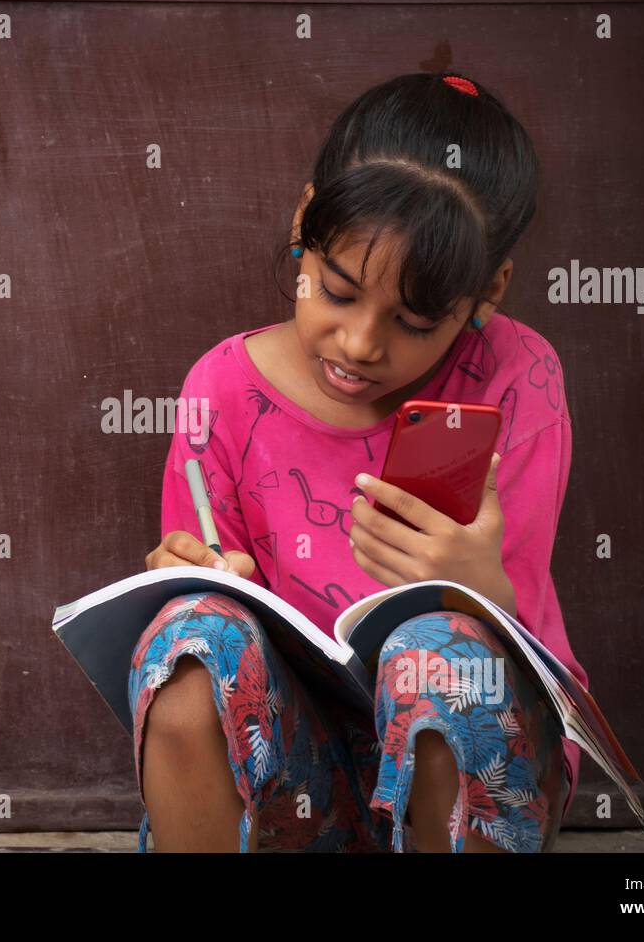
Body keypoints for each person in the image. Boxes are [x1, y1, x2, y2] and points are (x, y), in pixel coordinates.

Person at [129, 71, 590, 853]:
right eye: (338, 293)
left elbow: (515, 657)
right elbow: (209, 584)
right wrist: (195, 574)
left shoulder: (518, 377)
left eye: (413, 321)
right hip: (301, 771)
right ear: (305, 221)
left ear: (485, 294)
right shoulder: (223, 387)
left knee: (438, 660)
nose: (361, 344)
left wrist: (480, 586)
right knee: (187, 643)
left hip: (478, 758)